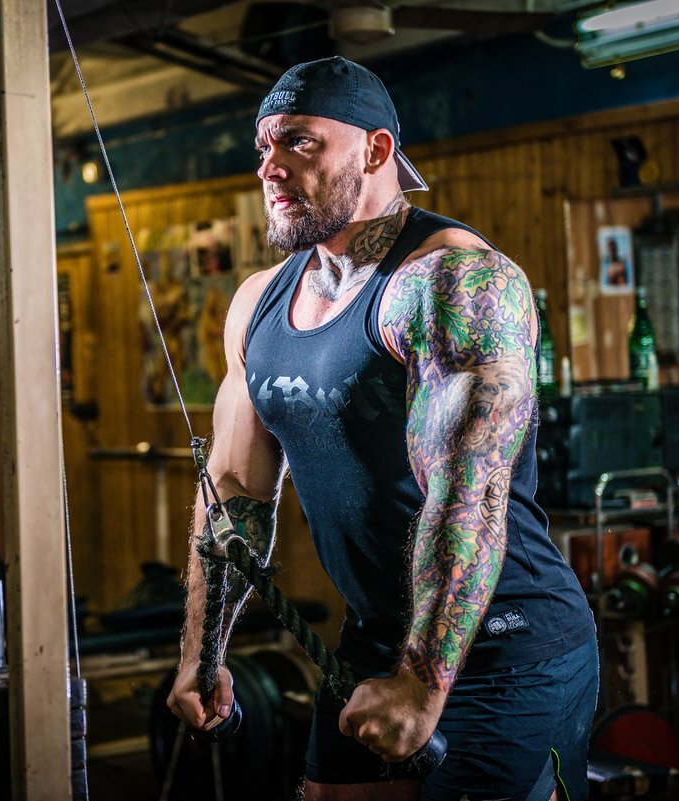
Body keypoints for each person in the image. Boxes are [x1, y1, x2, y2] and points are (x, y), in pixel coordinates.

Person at [166, 57, 598, 801]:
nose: (269, 166)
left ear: (375, 150)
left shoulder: (453, 282)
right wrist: (200, 655)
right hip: (375, 639)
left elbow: (468, 494)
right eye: (263, 146)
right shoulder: (258, 303)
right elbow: (235, 488)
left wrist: (422, 687)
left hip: (505, 647)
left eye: (299, 141)